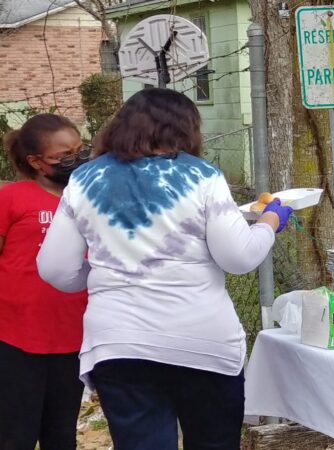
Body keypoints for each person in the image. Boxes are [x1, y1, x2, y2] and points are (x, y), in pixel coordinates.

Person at [37, 89, 294, 450]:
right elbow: (238, 258)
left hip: (119, 343)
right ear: (187, 130)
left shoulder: (84, 179)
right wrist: (269, 221)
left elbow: (54, 269)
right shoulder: (201, 175)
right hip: (202, 342)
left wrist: (99, 279)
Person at [0, 114, 89, 450]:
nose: (76, 160)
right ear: (35, 162)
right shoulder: (13, 198)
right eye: (64, 156)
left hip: (72, 337)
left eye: (80, 150)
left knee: (61, 434)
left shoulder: (88, 199)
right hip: (16, 339)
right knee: (15, 435)